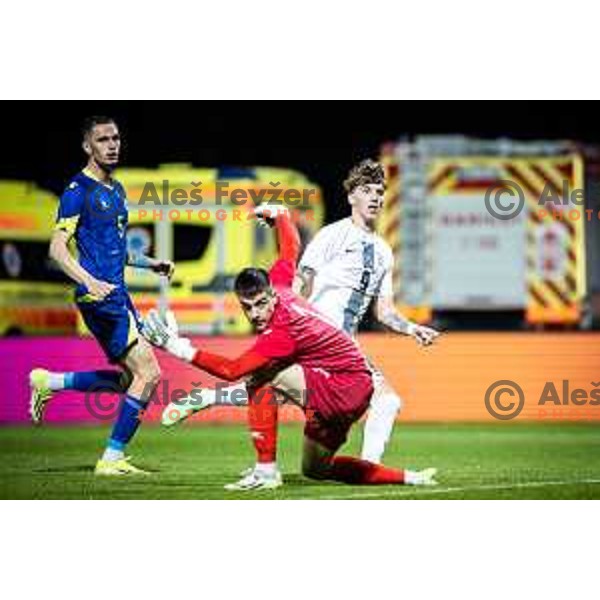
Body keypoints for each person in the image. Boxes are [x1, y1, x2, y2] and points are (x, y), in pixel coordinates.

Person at [144, 209, 437, 490]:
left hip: (345, 385)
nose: (256, 314)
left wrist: (174, 346)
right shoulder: (281, 283)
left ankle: (266, 471)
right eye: (248, 308)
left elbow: (232, 370)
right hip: (346, 386)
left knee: (263, 376)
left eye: (261, 304)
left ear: (271, 296)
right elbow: (290, 247)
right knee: (316, 470)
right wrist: (280, 215)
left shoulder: (281, 332)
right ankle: (410, 477)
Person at [29, 116, 174, 475]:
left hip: (116, 294)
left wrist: (151, 263)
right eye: (103, 139)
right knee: (150, 374)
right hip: (102, 298)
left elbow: (117, 250)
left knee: (131, 380)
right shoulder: (78, 190)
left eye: (116, 138)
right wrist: (88, 281)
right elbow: (57, 249)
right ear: (87, 146)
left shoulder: (117, 190)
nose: (112, 145)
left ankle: (51, 381)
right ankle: (111, 458)